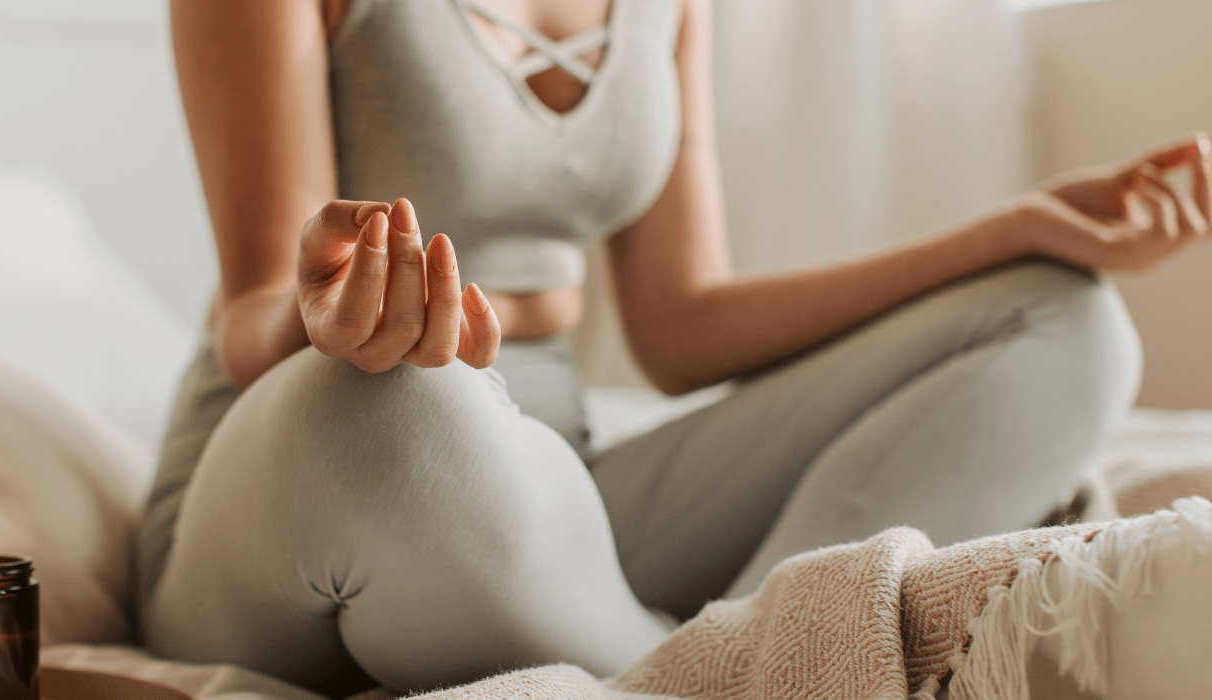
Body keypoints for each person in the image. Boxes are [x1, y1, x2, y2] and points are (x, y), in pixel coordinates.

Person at [135, 0, 1212, 696]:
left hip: (545, 480)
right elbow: (249, 315)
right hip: (295, 469)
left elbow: (683, 324)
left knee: (1059, 318)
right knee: (403, 409)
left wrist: (1013, 230)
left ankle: (733, 659)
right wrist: (327, 317)